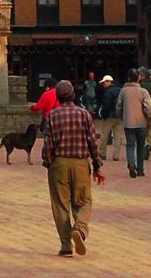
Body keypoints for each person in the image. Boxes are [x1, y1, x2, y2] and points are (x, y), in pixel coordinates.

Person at [41, 80, 105, 258]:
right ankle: (80, 229)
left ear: (58, 98)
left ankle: (66, 246)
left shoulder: (52, 116)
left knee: (61, 205)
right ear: (73, 96)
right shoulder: (84, 114)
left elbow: (48, 143)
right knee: (83, 201)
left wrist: (48, 162)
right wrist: (97, 165)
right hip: (80, 163)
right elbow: (93, 142)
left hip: (59, 164)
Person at [116, 69, 151, 178]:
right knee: (140, 146)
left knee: (130, 145)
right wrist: (148, 116)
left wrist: (121, 116)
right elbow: (148, 107)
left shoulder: (124, 91)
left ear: (128, 78)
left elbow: (118, 106)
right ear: (138, 78)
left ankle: (131, 163)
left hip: (128, 122)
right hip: (141, 122)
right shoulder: (143, 91)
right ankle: (140, 169)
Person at [96, 75, 121, 162]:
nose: (103, 84)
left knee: (104, 135)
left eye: (104, 82)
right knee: (118, 136)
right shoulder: (120, 90)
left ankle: (102, 153)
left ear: (108, 82)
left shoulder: (108, 92)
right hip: (119, 116)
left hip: (110, 116)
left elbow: (106, 106)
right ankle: (116, 155)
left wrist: (103, 114)